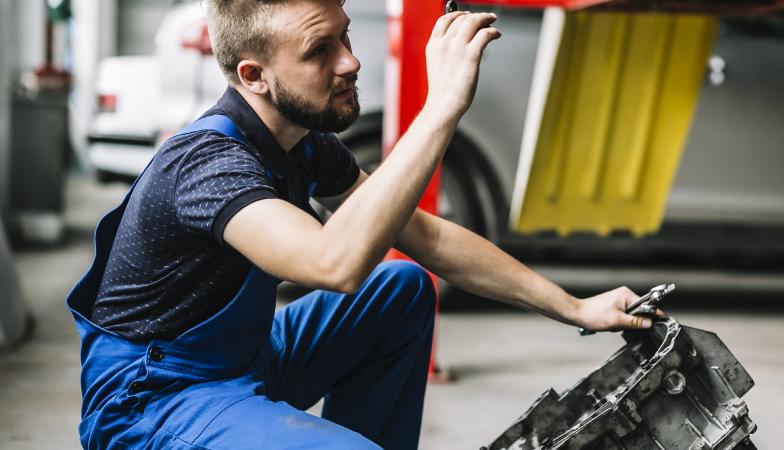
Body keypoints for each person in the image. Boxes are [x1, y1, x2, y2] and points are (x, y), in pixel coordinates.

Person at [67, 1, 658, 449]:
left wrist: (575, 308)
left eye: (345, 34)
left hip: (241, 361)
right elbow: (333, 265)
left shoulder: (303, 144)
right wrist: (441, 106)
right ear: (253, 76)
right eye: (319, 50)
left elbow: (424, 235)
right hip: (154, 401)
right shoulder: (209, 164)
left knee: (400, 288)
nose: (350, 60)